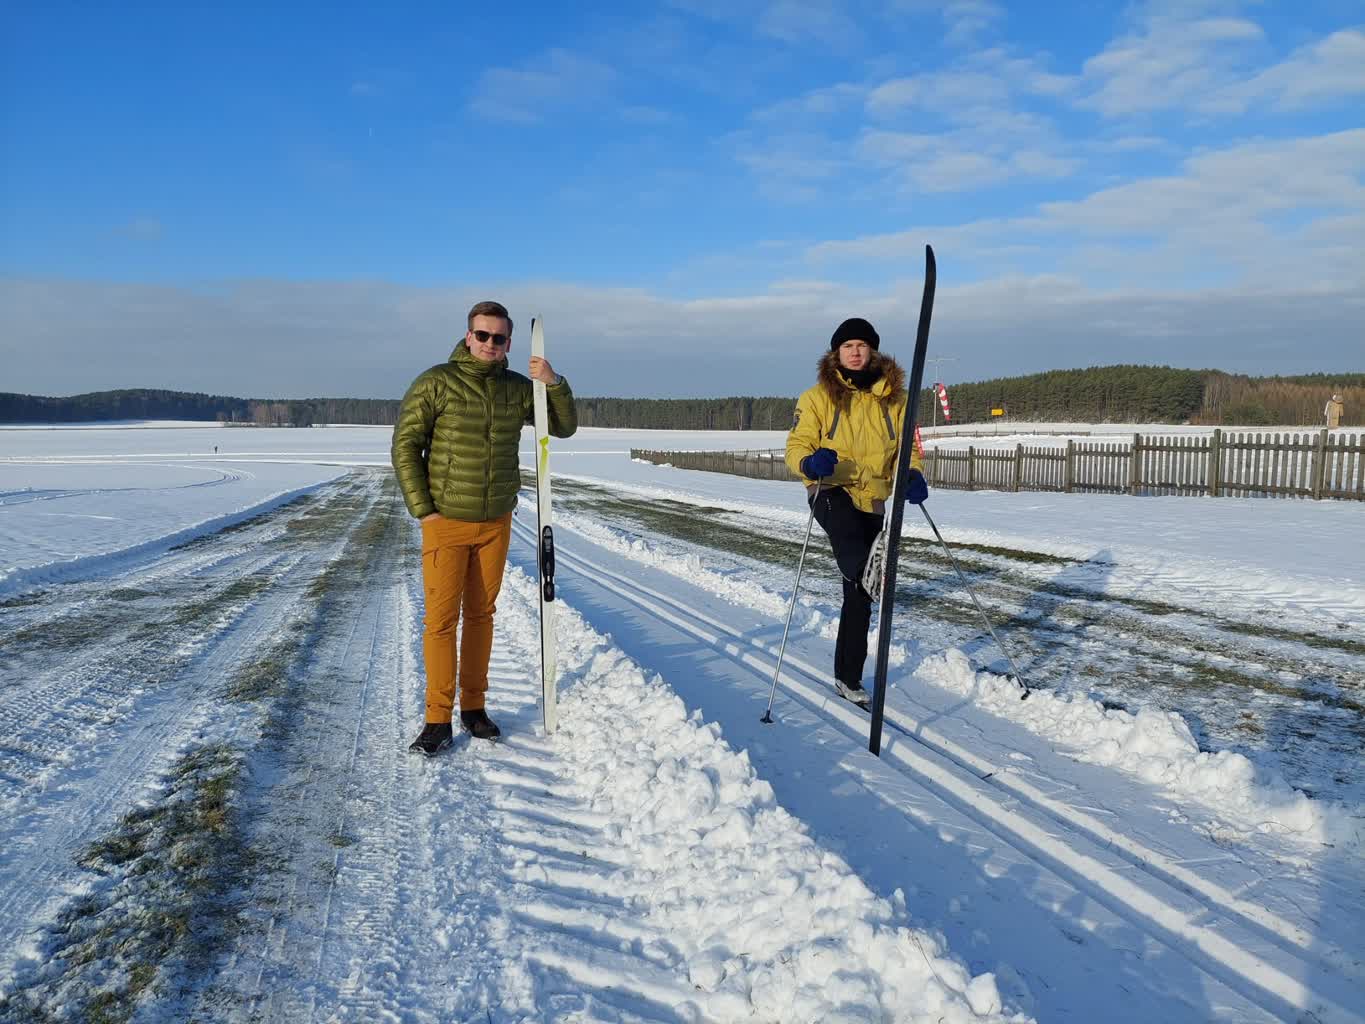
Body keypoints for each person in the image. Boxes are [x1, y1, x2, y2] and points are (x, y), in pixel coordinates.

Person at [392, 300, 577, 755]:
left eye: (499, 338)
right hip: (446, 522)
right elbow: (405, 445)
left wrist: (554, 384)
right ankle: (437, 719)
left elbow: (563, 426)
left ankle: (473, 709)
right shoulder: (436, 382)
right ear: (468, 336)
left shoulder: (518, 389)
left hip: (495, 522)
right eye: (483, 335)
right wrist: (426, 512)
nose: (490, 344)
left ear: (509, 343)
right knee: (440, 621)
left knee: (481, 617)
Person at [785, 317, 928, 708]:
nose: (855, 351)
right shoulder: (816, 397)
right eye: (847, 346)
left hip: (877, 497)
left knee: (859, 593)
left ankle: (848, 677)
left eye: (862, 345)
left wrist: (913, 473)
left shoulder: (895, 399)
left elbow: (907, 449)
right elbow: (796, 444)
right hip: (831, 488)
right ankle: (870, 564)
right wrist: (811, 463)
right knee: (854, 557)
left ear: (873, 351)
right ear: (836, 352)